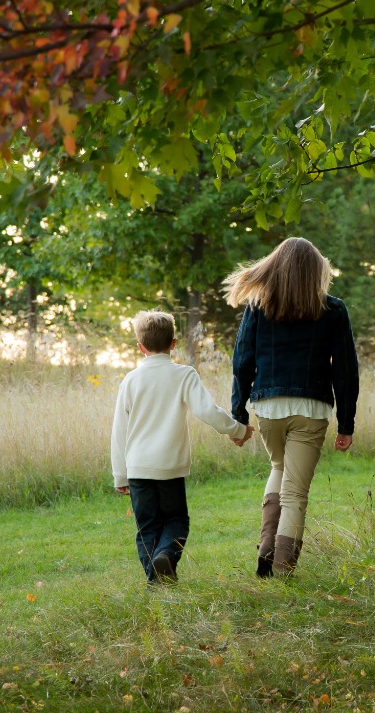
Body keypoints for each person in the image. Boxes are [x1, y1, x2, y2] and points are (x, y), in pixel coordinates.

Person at [225, 237, 359, 578]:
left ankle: (266, 549)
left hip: (268, 406)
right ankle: (283, 567)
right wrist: (346, 423)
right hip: (312, 408)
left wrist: (238, 413)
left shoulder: (258, 306)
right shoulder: (333, 309)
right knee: (296, 492)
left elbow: (242, 362)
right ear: (316, 271)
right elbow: (345, 371)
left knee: (279, 465)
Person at [111, 310, 253, 583]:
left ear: (140, 347)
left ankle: (157, 579)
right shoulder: (184, 375)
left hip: (138, 468)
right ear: (173, 343)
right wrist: (238, 430)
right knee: (176, 520)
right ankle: (165, 557)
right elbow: (208, 411)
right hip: (170, 467)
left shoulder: (130, 380)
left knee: (147, 527)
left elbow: (119, 431)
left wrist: (120, 474)